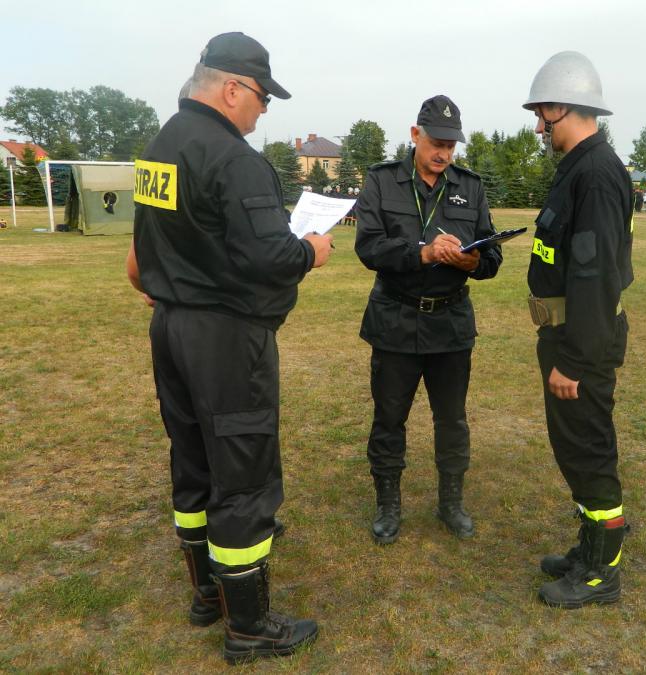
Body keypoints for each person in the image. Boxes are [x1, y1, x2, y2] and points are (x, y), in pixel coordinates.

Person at [129, 32, 333, 664]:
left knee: (192, 459)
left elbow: (139, 258)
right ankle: (248, 626)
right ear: (233, 89)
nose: (264, 111)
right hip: (224, 338)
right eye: (263, 97)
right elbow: (270, 257)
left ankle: (206, 593)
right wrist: (312, 251)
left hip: (171, 326)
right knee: (243, 476)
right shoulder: (235, 158)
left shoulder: (160, 146)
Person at [354, 95, 503, 545]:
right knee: (389, 419)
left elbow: (491, 257)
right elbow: (369, 246)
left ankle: (450, 503)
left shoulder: (470, 187)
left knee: (452, 420)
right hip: (395, 319)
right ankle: (388, 505)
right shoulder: (382, 181)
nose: (443, 153)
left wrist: (472, 262)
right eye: (436, 143)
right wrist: (422, 253)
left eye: (451, 146)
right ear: (415, 134)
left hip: (450, 323)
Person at [522, 51, 633, 609]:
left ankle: (601, 573)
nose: (538, 126)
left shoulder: (595, 174)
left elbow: (595, 278)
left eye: (541, 113)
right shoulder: (580, 168)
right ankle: (589, 549)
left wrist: (574, 360)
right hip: (566, 337)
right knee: (574, 449)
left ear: (563, 107)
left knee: (589, 453)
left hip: (579, 343)